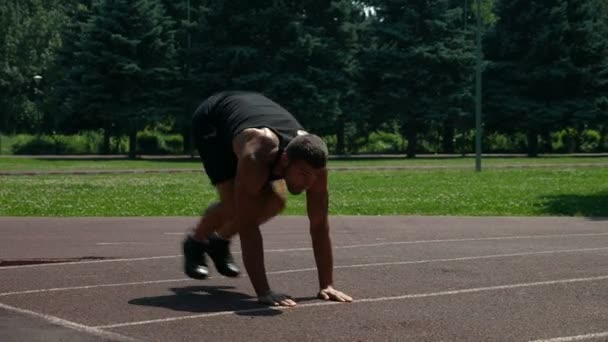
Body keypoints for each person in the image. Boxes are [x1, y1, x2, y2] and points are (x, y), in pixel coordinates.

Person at [182, 91, 353, 307]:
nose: (308, 184)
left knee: (276, 202)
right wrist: (264, 292)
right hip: (215, 121)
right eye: (302, 175)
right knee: (235, 207)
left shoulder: (314, 168)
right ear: (284, 160)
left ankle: (219, 241)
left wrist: (326, 284)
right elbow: (248, 225)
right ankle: (195, 242)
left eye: (313, 177)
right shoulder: (257, 155)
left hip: (253, 112)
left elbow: (319, 225)